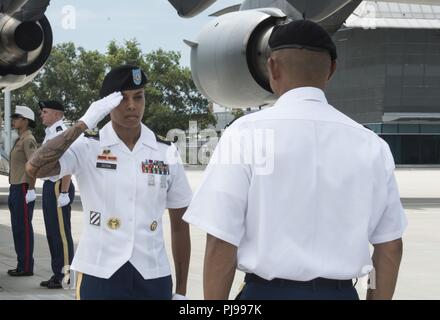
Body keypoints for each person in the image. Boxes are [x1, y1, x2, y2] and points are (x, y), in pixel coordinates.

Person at [183, 20, 407, 300]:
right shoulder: (372, 145)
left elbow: (220, 240)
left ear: (272, 67)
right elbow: (390, 247)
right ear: (332, 70)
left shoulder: (244, 134)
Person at [26, 65, 192, 300]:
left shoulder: (165, 151)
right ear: (106, 104)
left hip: (153, 275)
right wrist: (83, 123)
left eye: (138, 97)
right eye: (122, 99)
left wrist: (182, 291)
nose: (132, 105)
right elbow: (35, 167)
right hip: (99, 273)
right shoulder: (88, 146)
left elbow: (179, 225)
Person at [38, 100, 75, 289]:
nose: (42, 115)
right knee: (52, 233)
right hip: (50, 184)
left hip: (59, 185)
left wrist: (64, 192)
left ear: (56, 114)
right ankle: (57, 273)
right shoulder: (51, 132)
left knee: (61, 233)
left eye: (45, 112)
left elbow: (68, 163)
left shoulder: (61, 132)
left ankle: (66, 276)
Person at [8, 106, 38, 277]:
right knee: (18, 228)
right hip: (15, 186)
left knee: (24, 229)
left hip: (24, 187)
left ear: (25, 120)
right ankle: (21, 264)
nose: (14, 120)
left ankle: (26, 267)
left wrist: (31, 189)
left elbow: (33, 165)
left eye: (17, 117)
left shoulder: (28, 140)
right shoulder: (20, 139)